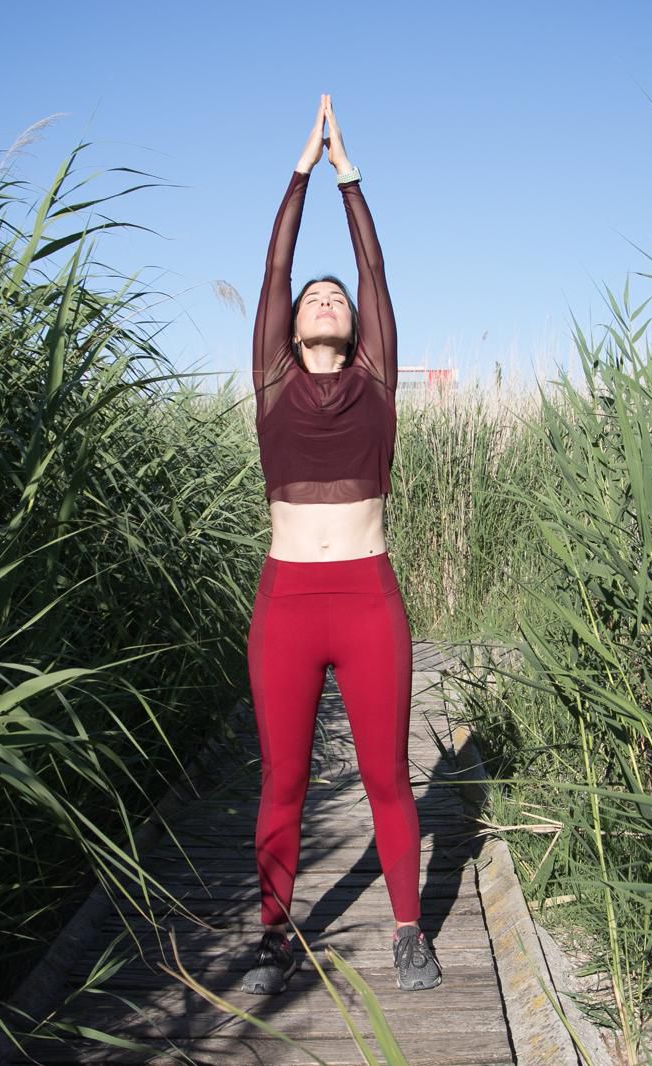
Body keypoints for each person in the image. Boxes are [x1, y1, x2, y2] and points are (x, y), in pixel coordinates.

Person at [240, 95, 441, 995]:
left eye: (337, 300)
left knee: (387, 774)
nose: (325, 299)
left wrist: (347, 176)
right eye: (311, 300)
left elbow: (372, 267)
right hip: (287, 602)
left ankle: (408, 932)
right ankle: (273, 936)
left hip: (366, 599)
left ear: (357, 327)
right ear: (289, 327)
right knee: (283, 777)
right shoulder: (272, 382)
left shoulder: (376, 383)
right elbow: (276, 266)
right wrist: (298, 173)